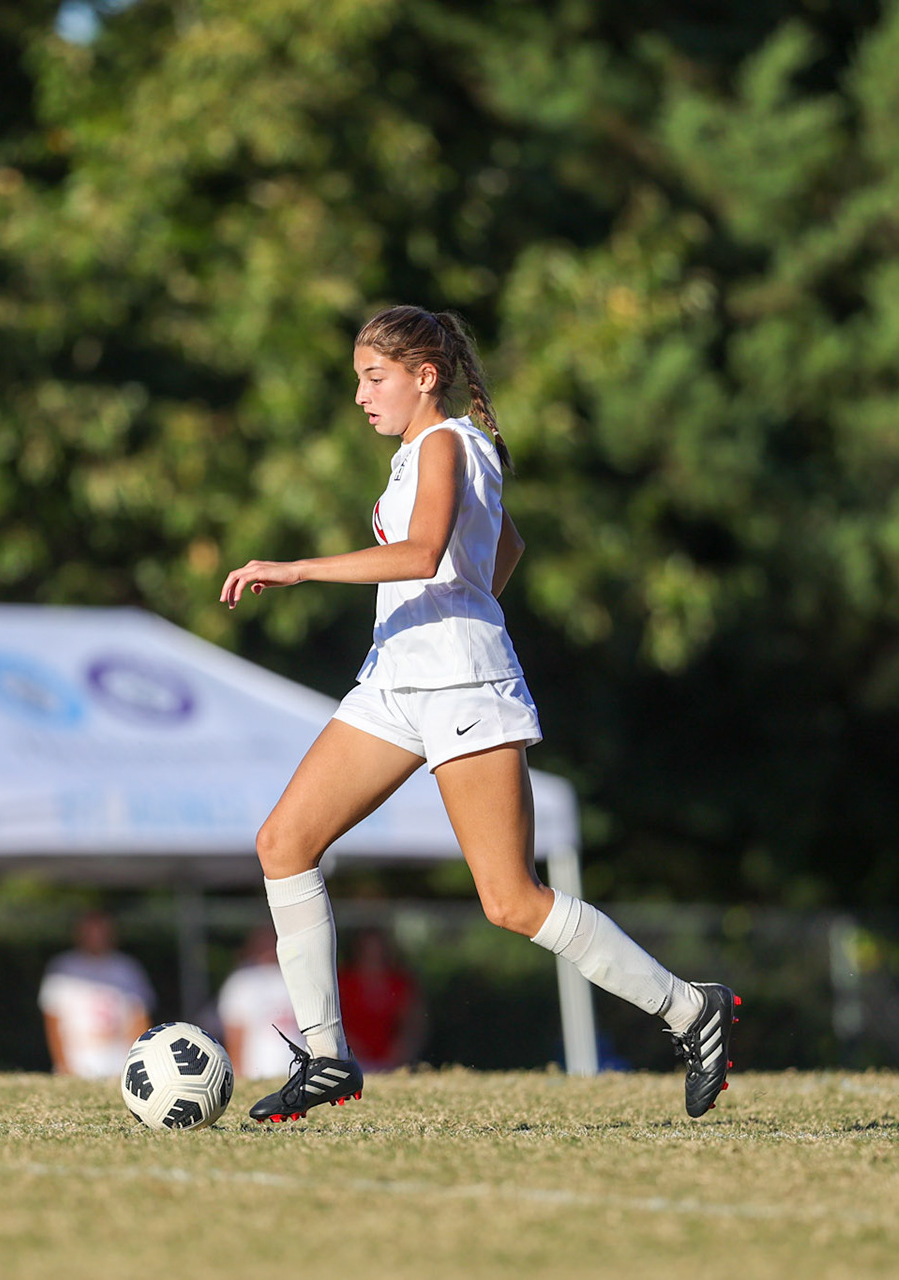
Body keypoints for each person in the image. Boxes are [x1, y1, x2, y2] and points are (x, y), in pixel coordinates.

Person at [220, 305, 739, 1123]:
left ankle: (689, 1009)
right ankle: (326, 1056)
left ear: (425, 376)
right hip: (397, 681)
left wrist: (299, 570)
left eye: (374, 377)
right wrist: (462, 608)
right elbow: (506, 548)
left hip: (460, 688)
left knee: (509, 901)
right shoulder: (430, 450)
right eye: (358, 378)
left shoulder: (447, 443)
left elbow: (425, 553)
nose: (359, 395)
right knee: (283, 844)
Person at [37, 909, 155, 1078]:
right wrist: (64, 1067)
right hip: (78, 1062)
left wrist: (136, 1066)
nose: (96, 936)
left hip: (119, 1062)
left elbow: (138, 1018)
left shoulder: (127, 969)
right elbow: (53, 1021)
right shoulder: (63, 968)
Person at [216, 925, 304, 1078]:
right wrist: (238, 1073)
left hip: (300, 1070)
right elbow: (234, 1033)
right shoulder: (242, 981)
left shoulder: (300, 977)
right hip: (258, 1072)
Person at [338, 929, 426, 1072]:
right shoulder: (343, 981)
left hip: (391, 1061)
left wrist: (400, 1050)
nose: (373, 955)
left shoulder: (399, 983)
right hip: (352, 1059)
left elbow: (413, 1023)